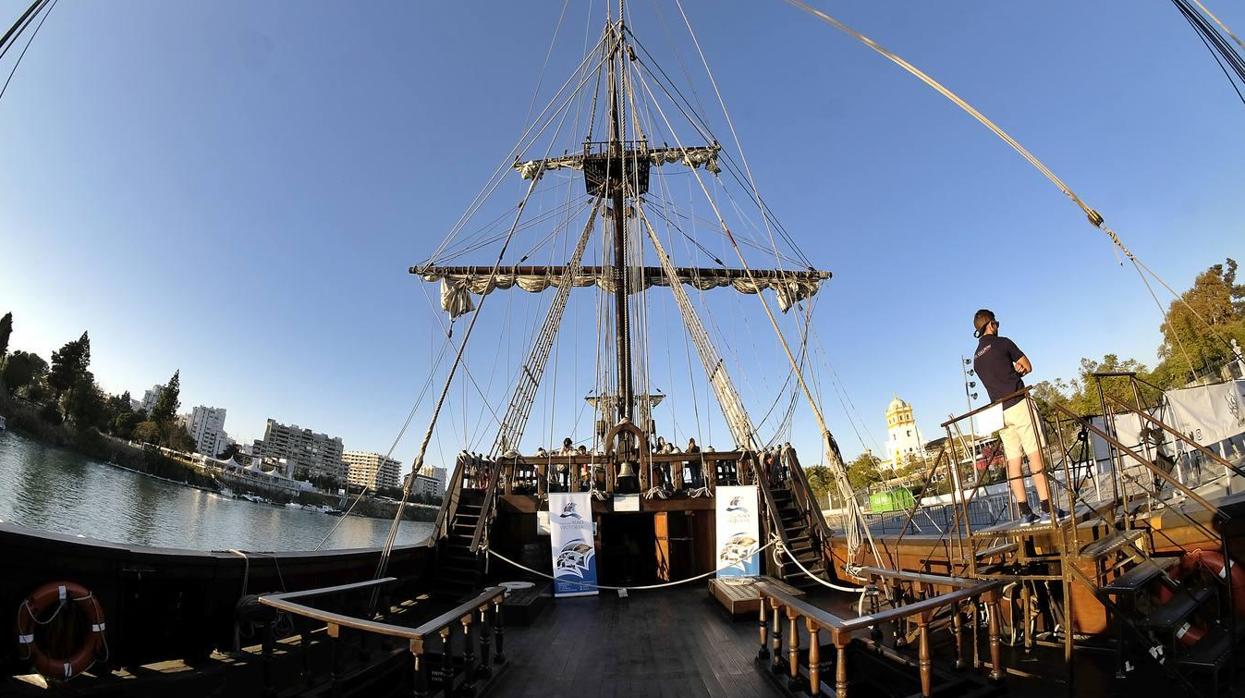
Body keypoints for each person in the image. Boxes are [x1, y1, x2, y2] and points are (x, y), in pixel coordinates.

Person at [971, 309, 1061, 525]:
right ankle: (1048, 509)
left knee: (1013, 461)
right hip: (1019, 403)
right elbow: (1028, 365)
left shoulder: (976, 359)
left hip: (999, 412)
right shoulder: (1003, 343)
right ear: (990, 324)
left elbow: (997, 379)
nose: (998, 326)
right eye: (997, 323)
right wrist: (1018, 372)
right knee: (1035, 455)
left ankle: (1025, 513)